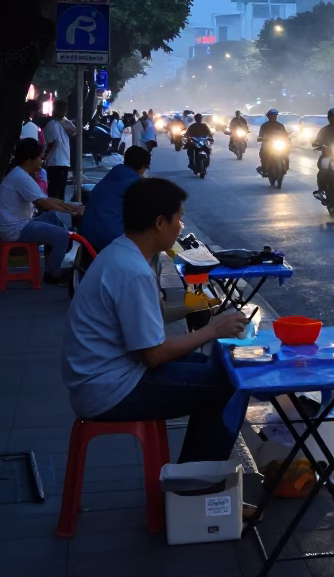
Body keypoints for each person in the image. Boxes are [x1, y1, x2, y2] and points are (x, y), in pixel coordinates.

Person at [61, 178, 248, 462]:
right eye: (179, 219)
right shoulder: (132, 270)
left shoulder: (121, 252)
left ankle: (194, 480)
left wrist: (201, 315)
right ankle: (196, 490)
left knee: (210, 368)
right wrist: (214, 329)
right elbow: (152, 354)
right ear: (160, 222)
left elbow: (150, 336)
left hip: (107, 377)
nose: (181, 227)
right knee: (229, 387)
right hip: (109, 390)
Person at [0, 138, 85, 285]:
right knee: (62, 235)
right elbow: (45, 204)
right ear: (29, 159)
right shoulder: (20, 177)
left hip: (23, 223)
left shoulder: (21, 174)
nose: (41, 161)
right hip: (16, 229)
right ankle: (52, 273)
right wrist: (72, 212)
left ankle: (53, 261)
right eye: (39, 157)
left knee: (53, 218)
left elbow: (47, 199)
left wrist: (72, 208)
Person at [83, 146, 151, 252]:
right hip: (107, 239)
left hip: (87, 233)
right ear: (142, 166)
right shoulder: (134, 183)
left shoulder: (115, 173)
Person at [43, 101, 77, 200]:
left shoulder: (63, 123)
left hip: (63, 161)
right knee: (54, 189)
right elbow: (51, 143)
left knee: (61, 189)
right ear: (56, 110)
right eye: (62, 109)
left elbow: (74, 132)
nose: (64, 112)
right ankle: (53, 210)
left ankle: (58, 209)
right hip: (56, 161)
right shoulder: (52, 125)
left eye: (65, 110)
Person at [257, 108, 289, 175]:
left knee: (286, 154)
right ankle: (264, 168)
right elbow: (260, 135)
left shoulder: (280, 126)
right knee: (263, 154)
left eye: (275, 116)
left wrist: (287, 139)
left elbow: (285, 134)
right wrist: (261, 138)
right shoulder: (264, 126)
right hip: (267, 145)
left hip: (278, 144)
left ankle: (285, 167)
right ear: (269, 117)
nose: (273, 117)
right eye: (272, 116)